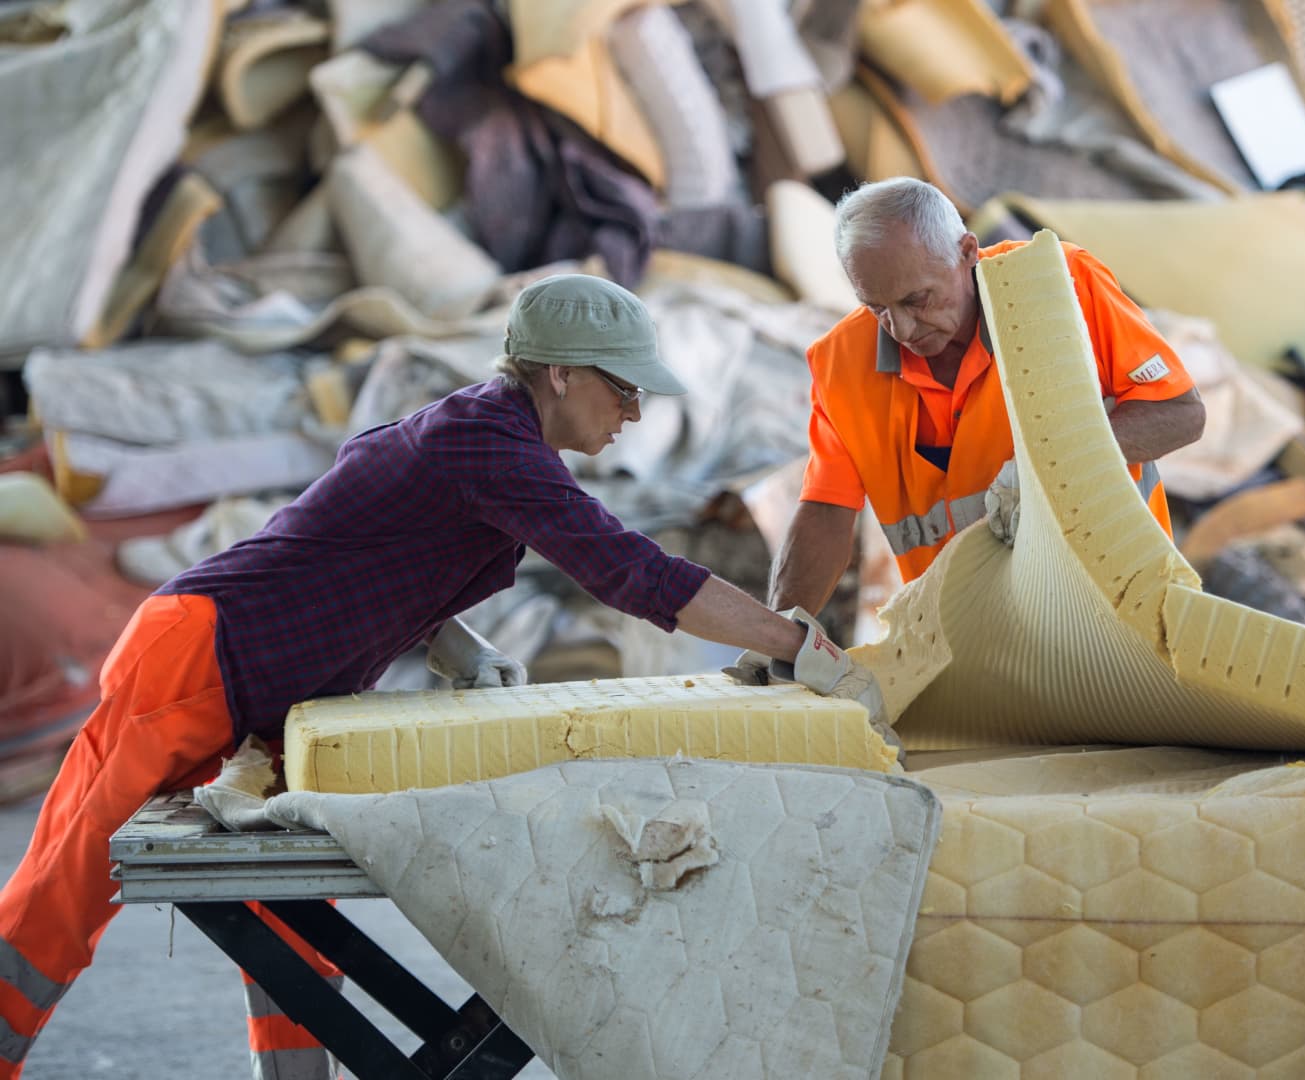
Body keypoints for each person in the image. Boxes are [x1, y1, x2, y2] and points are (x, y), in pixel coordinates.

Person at [0, 274, 884, 1080]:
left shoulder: (480, 432)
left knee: (290, 932)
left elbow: (364, 551)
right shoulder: (488, 442)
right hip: (199, 655)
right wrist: (794, 644)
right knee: (60, 894)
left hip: (268, 686)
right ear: (562, 376)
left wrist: (448, 642)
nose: (638, 413)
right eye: (625, 388)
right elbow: (632, 575)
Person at [763, 178, 1206, 615]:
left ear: (967, 252)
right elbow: (825, 513)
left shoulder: (1060, 287)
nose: (901, 329)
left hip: (1113, 603)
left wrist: (1051, 469)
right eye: (875, 308)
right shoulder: (840, 365)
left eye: (916, 300)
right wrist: (778, 634)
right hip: (973, 638)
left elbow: (1180, 412)